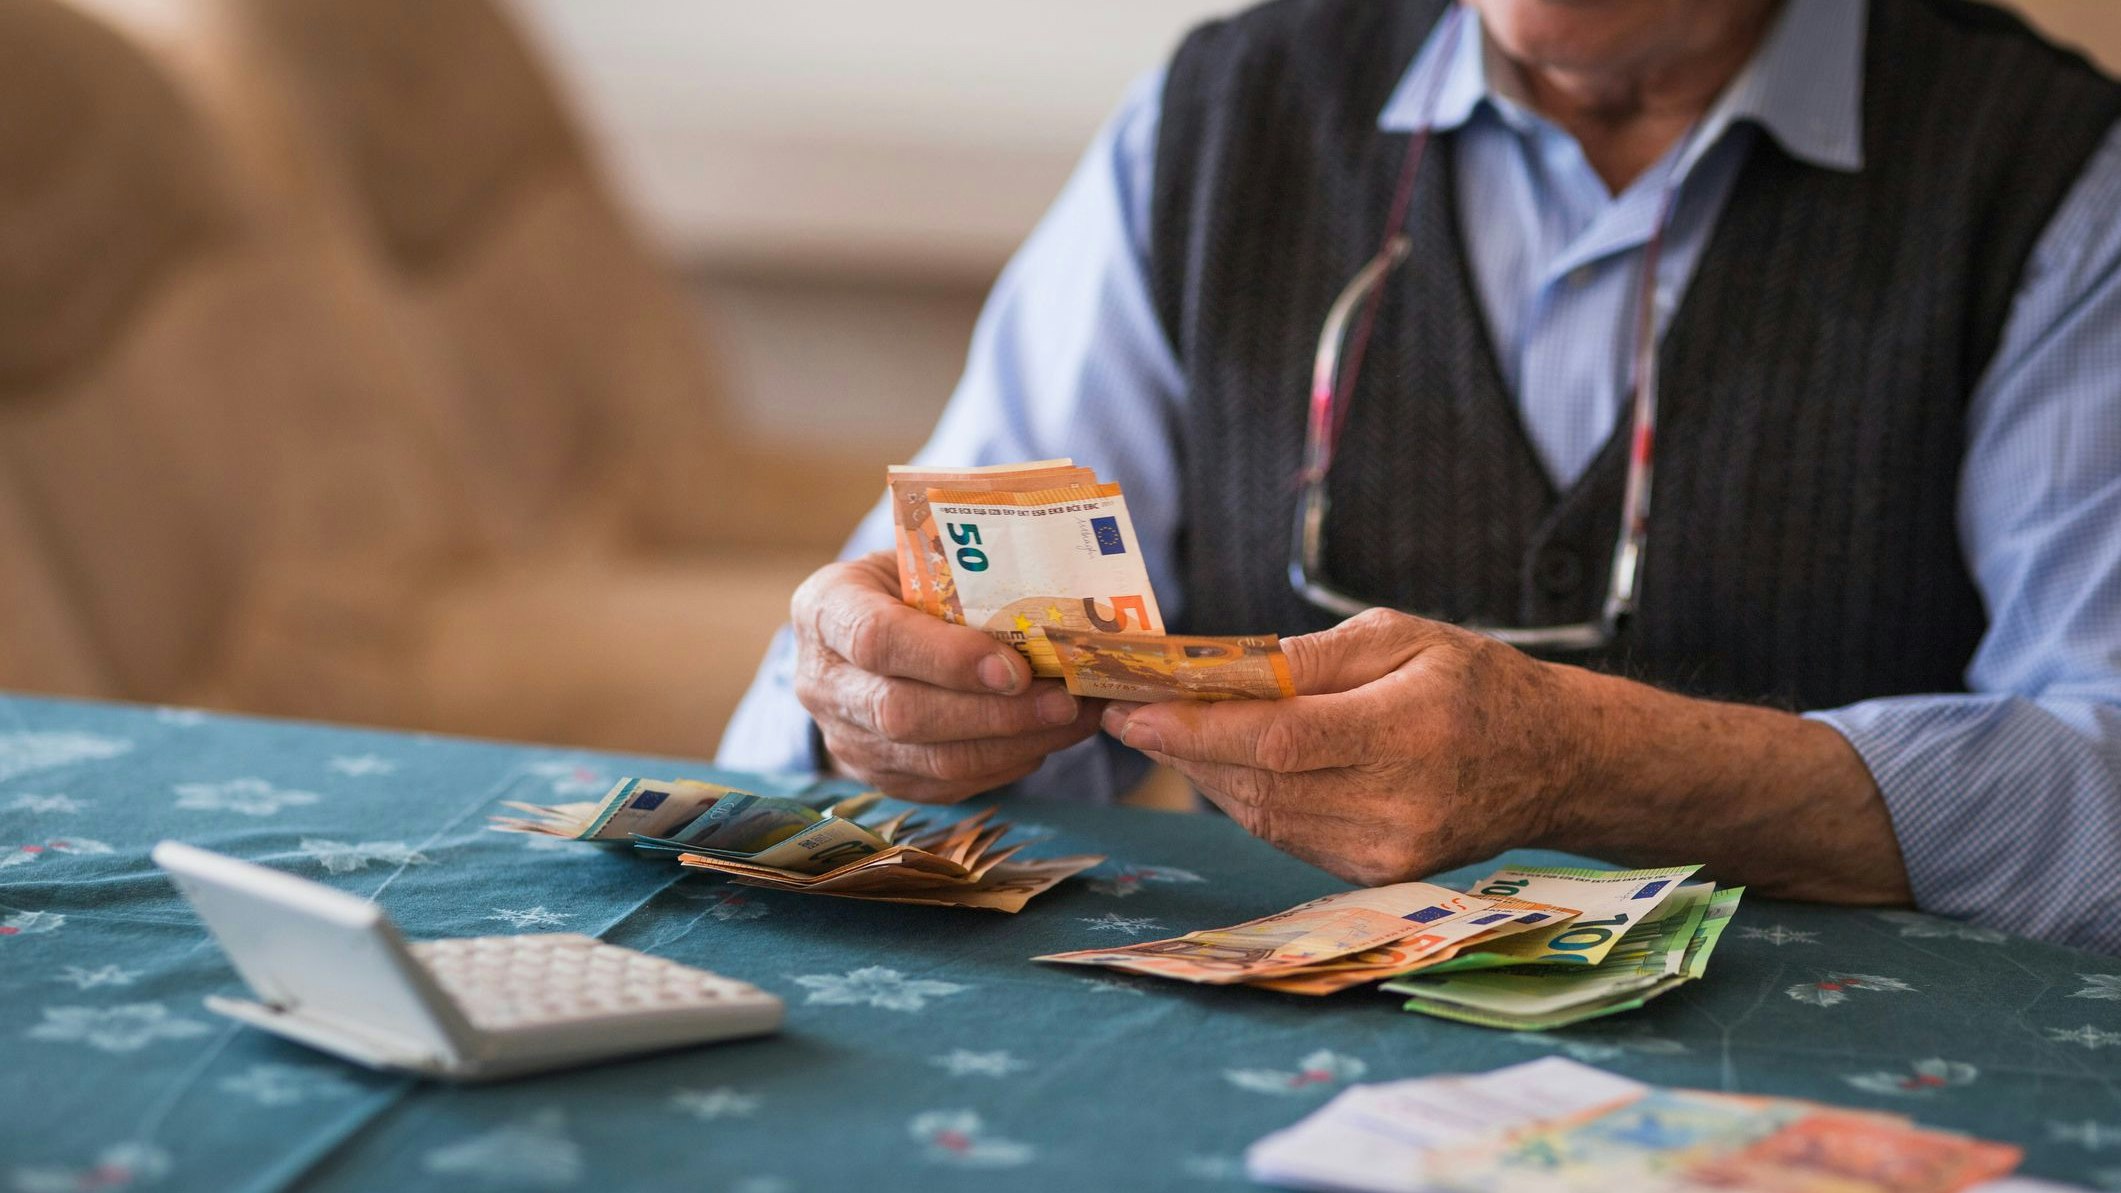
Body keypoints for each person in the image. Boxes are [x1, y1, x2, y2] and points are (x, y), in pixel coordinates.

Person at [721, 0, 2121, 951]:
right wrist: (878, 713)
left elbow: (2102, 771)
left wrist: (1590, 763)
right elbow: (924, 635)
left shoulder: (2047, 172)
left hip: (1821, 1060)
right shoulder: (1226, 117)